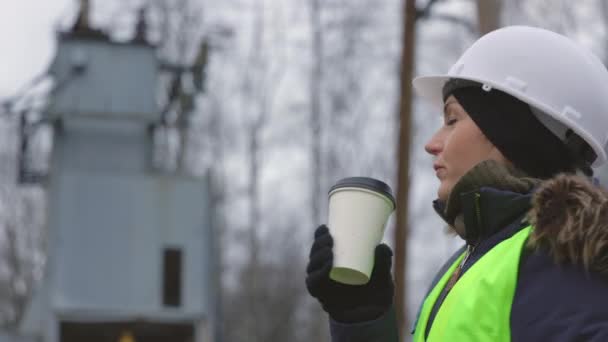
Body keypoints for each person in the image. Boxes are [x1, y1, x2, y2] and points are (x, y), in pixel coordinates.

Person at [305, 25, 608, 341]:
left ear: (510, 133)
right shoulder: (476, 260)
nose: (432, 144)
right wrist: (361, 318)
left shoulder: (559, 259)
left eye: (452, 120)